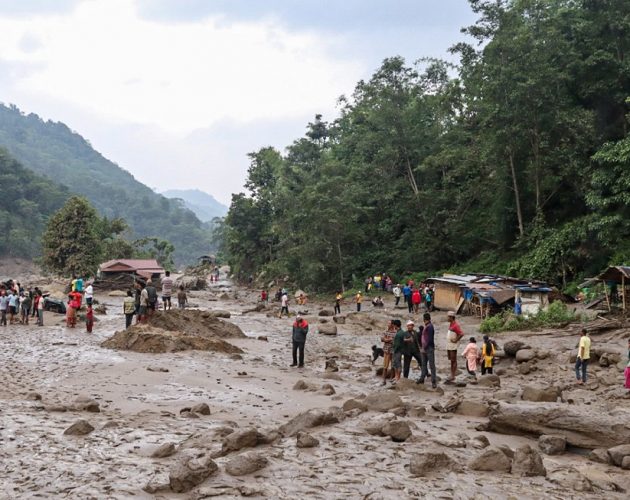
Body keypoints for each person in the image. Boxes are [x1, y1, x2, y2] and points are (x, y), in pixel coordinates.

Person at [417, 312, 437, 388]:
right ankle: (422, 378)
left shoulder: (430, 327)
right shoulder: (427, 326)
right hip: (424, 348)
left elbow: (430, 339)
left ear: (424, 319)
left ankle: (433, 381)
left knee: (431, 365)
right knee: (424, 364)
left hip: (428, 348)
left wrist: (424, 347)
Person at [446, 311, 464, 382]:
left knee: (454, 360)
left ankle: (453, 375)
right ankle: (452, 374)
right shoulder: (451, 324)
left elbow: (461, 334)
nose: (447, 318)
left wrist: (456, 340)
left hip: (453, 345)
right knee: (451, 360)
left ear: (451, 317)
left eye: (448, 317)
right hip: (449, 345)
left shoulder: (455, 325)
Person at [381, 320, 396, 385]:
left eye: (389, 323)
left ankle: (391, 379)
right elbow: (382, 339)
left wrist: (386, 339)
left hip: (393, 351)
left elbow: (395, 341)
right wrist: (389, 339)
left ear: (392, 324)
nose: (388, 324)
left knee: (393, 365)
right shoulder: (386, 331)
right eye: (388, 323)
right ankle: (383, 380)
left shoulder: (395, 332)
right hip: (386, 351)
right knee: (385, 366)